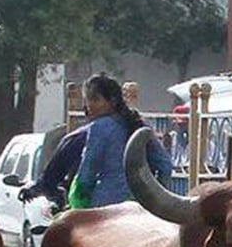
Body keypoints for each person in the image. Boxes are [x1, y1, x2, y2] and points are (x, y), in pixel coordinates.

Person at [72, 73, 174, 208]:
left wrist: (79, 198)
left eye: (95, 99)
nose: (89, 105)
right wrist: (156, 195)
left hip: (107, 205)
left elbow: (88, 171)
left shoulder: (99, 127)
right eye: (87, 100)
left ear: (113, 101)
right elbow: (165, 165)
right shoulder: (140, 124)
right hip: (141, 204)